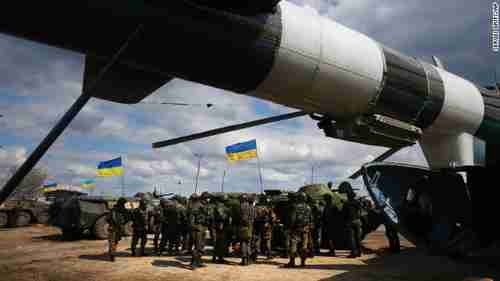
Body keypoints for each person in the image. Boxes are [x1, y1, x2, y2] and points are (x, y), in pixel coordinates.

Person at [286, 192, 312, 268]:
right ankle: (303, 262)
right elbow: (311, 219)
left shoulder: (295, 207)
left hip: (296, 229)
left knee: (293, 245)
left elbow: (292, 219)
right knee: (304, 246)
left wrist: (290, 227)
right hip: (305, 229)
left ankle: (292, 262)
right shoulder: (308, 207)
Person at [341, 182, 362, 258]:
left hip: (350, 222)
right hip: (357, 221)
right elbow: (360, 211)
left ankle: (353, 253)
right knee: (358, 237)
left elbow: (343, 214)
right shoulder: (357, 202)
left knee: (351, 238)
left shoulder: (346, 203)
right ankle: (359, 252)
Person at [188, 193, 209, 269]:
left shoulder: (205, 205)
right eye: (206, 198)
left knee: (201, 246)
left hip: (203, 227)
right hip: (198, 227)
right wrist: (194, 226)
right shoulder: (197, 205)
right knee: (197, 246)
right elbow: (191, 217)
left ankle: (198, 261)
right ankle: (193, 263)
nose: (207, 200)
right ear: (203, 198)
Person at [253, 194, 275, 261]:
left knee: (257, 240)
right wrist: (271, 223)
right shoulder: (268, 207)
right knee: (267, 240)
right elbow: (273, 217)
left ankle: (255, 255)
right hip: (266, 225)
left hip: (257, 225)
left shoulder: (255, 207)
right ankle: (268, 254)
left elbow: (253, 216)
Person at [107, 197, 129, 262]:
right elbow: (127, 218)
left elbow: (107, 219)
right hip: (115, 228)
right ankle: (112, 254)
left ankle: (112, 252)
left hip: (116, 228)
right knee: (113, 241)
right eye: (123, 203)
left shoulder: (117, 210)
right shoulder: (116, 210)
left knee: (114, 241)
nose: (123, 205)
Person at [212, 194, 231, 263]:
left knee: (218, 242)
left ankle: (217, 257)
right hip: (220, 226)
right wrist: (227, 214)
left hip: (219, 226)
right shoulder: (220, 206)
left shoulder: (220, 206)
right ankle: (219, 258)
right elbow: (221, 216)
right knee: (220, 242)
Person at [239, 194, 255, 266]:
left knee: (243, 243)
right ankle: (248, 259)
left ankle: (244, 259)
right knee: (248, 243)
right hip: (250, 226)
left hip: (244, 226)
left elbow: (244, 218)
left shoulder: (242, 206)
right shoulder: (251, 206)